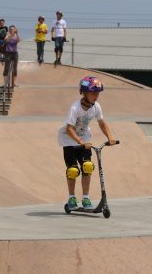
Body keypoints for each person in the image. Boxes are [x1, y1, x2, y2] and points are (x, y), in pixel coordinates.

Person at [57, 76, 116, 210]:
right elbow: (69, 128)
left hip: (84, 139)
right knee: (72, 170)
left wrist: (110, 137)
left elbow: (102, 123)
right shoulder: (75, 107)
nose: (96, 96)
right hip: (69, 140)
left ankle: (85, 198)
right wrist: (80, 142)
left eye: (98, 93)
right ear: (84, 93)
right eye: (93, 93)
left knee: (88, 167)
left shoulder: (96, 107)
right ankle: (72, 198)